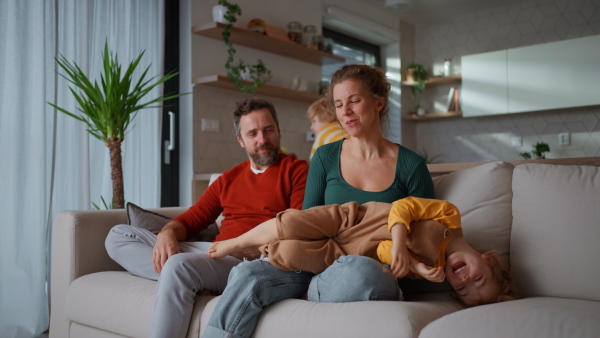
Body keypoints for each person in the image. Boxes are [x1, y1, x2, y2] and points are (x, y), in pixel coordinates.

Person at [202, 65, 435, 338]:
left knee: (360, 273)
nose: (345, 111)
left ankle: (309, 291)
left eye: (354, 101)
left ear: (378, 102)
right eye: (338, 104)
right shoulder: (325, 157)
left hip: (371, 268)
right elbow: (306, 222)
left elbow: (424, 235)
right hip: (315, 263)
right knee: (247, 275)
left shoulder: (411, 165)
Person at [104, 98, 309, 338]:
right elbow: (193, 218)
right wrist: (167, 233)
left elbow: (295, 228)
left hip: (249, 262)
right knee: (117, 236)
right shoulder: (228, 179)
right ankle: (195, 280)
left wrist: (244, 247)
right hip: (214, 253)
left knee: (178, 265)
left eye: (268, 130)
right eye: (253, 133)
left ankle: (188, 277)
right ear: (241, 140)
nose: (262, 140)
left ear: (278, 131)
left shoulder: (297, 170)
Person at [208, 197, 518, 307]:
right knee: (291, 223)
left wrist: (416, 267)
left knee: (288, 253)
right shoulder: (450, 217)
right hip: (351, 219)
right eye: (479, 280)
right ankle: (236, 243)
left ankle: (261, 251)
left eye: (462, 290)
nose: (465, 281)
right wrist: (400, 245)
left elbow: (381, 250)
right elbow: (403, 208)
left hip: (348, 252)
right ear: (487, 259)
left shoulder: (433, 268)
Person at [307, 95, 347, 160]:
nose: (311, 127)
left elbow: (315, 161)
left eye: (314, 122)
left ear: (326, 118)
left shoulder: (322, 134)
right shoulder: (345, 130)